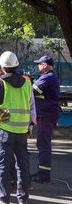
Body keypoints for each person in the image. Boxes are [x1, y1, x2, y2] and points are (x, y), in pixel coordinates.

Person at [0, 51, 36, 204]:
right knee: (22, 166)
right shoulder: (28, 83)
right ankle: (23, 199)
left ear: (3, 67)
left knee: (3, 165)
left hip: (5, 129)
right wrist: (30, 125)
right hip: (22, 131)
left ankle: (3, 199)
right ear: (17, 66)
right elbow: (32, 108)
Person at [31, 56, 62, 184]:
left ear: (44, 65)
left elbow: (32, 91)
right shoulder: (49, 77)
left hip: (46, 115)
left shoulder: (47, 77)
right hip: (46, 115)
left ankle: (44, 175)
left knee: (43, 145)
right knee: (43, 144)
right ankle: (42, 172)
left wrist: (24, 82)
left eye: (39, 64)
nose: (38, 67)